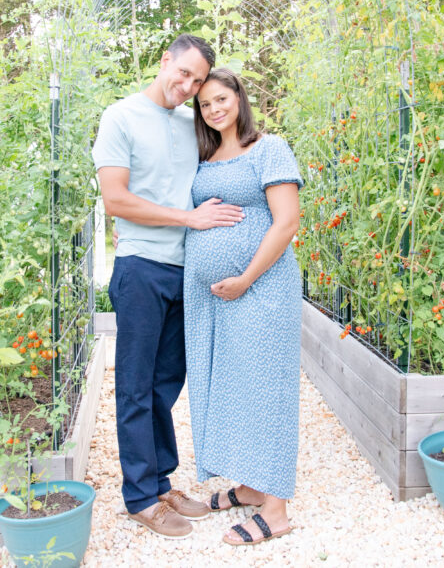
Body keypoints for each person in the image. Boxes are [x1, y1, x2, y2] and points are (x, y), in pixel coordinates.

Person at [92, 35, 245, 540]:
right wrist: (188, 219)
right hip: (141, 268)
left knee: (165, 384)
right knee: (135, 386)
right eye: (182, 74)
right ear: (164, 62)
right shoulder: (121, 117)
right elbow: (115, 200)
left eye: (198, 81)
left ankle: (160, 483)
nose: (188, 87)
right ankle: (139, 497)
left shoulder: (190, 121)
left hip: (188, 272)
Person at [183, 68, 303, 546]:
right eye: (205, 104)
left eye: (220, 99)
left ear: (239, 97)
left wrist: (246, 277)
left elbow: (287, 221)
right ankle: (253, 485)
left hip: (262, 289)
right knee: (235, 386)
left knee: (266, 388)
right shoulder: (205, 155)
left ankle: (275, 511)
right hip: (216, 300)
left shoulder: (268, 148)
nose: (214, 110)